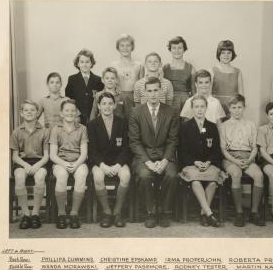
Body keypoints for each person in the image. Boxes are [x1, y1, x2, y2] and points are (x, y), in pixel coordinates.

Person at [129, 77, 179, 228]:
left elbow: (173, 140)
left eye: (156, 90)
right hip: (144, 157)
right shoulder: (136, 112)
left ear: (161, 91)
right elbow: (134, 142)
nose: (152, 94)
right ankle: (150, 212)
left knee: (171, 175)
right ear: (144, 92)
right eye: (149, 91)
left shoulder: (171, 112)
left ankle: (163, 211)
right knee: (144, 175)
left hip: (165, 156)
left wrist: (164, 161)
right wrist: (148, 163)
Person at [219, 94, 264, 227]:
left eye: (240, 107)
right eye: (234, 107)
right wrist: (236, 161)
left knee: (259, 175)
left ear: (244, 108)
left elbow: (255, 147)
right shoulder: (224, 126)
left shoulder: (251, 125)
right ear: (229, 109)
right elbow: (223, 150)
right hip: (230, 158)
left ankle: (254, 212)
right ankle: (239, 213)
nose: (237, 110)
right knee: (236, 174)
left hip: (247, 156)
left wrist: (250, 160)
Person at [88, 92, 131, 228]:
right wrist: (102, 166)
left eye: (110, 103)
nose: (107, 106)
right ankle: (107, 212)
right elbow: (92, 151)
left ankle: (117, 212)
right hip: (100, 162)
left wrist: (119, 165)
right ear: (99, 106)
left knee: (126, 176)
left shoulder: (123, 123)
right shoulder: (92, 124)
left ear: (114, 106)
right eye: (104, 104)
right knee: (98, 178)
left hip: (118, 161)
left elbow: (126, 148)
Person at [179, 95, 222, 227]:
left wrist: (209, 162)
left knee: (213, 182)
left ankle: (204, 213)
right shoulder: (185, 127)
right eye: (196, 106)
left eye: (202, 106)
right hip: (192, 165)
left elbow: (216, 151)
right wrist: (195, 162)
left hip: (209, 164)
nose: (199, 109)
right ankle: (209, 214)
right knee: (196, 181)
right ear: (192, 108)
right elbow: (182, 151)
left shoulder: (212, 127)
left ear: (206, 108)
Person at [10, 100, 50, 229]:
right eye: (26, 110)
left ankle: (35, 214)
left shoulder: (44, 131)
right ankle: (26, 214)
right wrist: (26, 166)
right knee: (20, 178)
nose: (29, 112)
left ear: (37, 113)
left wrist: (36, 166)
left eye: (32, 110)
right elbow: (15, 156)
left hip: (39, 162)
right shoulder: (16, 132)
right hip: (22, 163)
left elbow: (46, 156)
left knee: (40, 178)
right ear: (21, 113)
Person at [49, 99, 88, 229]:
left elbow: (84, 154)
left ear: (77, 112)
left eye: (73, 110)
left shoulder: (82, 128)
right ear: (61, 113)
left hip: (78, 161)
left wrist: (76, 164)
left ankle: (74, 214)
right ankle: (61, 214)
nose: (70, 113)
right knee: (61, 176)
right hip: (61, 162)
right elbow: (53, 155)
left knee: (82, 174)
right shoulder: (56, 129)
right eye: (67, 110)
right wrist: (65, 164)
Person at [65, 49, 104, 125]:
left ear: (91, 63)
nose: (85, 64)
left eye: (87, 62)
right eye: (82, 62)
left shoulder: (98, 80)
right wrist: (76, 114)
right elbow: (69, 99)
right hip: (77, 118)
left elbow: (101, 99)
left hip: (94, 117)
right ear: (78, 64)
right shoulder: (72, 79)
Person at [111, 34, 144, 116]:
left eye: (128, 45)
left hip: (134, 98)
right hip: (118, 98)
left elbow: (142, 87)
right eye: (122, 45)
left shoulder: (139, 65)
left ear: (132, 47)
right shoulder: (113, 65)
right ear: (118, 47)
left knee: (133, 122)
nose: (125, 48)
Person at [162, 36, 196, 113]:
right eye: (174, 48)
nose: (177, 51)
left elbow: (194, 92)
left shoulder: (191, 68)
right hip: (169, 101)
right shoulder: (164, 68)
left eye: (180, 48)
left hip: (186, 102)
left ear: (184, 49)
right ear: (170, 50)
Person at [212, 40, 244, 115]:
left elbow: (241, 96)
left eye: (229, 53)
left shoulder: (238, 72)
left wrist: (239, 110)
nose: (226, 55)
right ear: (218, 54)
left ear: (232, 54)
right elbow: (208, 95)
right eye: (223, 53)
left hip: (233, 108)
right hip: (217, 108)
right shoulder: (212, 70)